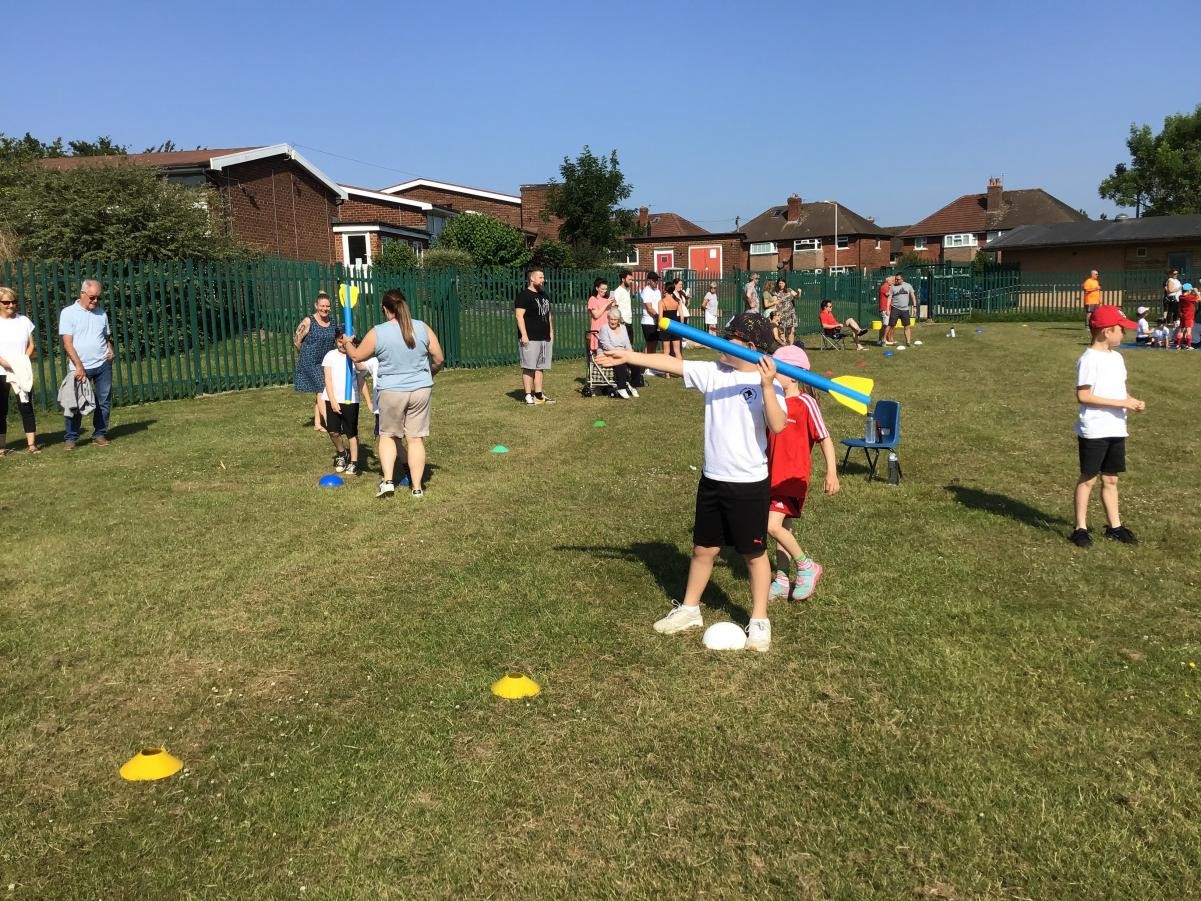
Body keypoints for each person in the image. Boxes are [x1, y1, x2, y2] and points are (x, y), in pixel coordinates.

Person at [595, 312, 788, 652]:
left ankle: (759, 619)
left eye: (730, 338)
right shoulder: (714, 372)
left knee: (753, 553)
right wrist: (628, 356)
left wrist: (767, 386)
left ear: (750, 347)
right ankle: (689, 609)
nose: (721, 342)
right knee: (703, 549)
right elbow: (671, 363)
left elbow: (778, 425)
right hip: (713, 479)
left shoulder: (768, 384)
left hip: (748, 483)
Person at [343, 289, 444, 498]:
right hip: (421, 390)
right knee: (415, 439)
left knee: (388, 436)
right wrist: (428, 374)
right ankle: (417, 488)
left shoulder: (379, 332)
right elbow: (439, 359)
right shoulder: (422, 327)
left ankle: (388, 481)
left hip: (391, 391)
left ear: (384, 309)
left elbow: (357, 356)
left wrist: (347, 343)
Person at [764, 345, 839, 602]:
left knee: (772, 526)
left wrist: (831, 472)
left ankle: (807, 566)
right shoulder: (773, 400)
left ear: (794, 374)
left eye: (778, 369)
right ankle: (782, 579)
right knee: (783, 528)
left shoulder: (806, 403)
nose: (773, 373)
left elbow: (824, 437)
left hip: (792, 477)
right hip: (771, 475)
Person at [1069, 305, 1145, 548]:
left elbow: (1118, 390)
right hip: (1095, 430)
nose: (1124, 333)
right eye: (1121, 329)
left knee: (1111, 479)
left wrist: (1130, 400)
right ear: (1106, 331)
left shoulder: (1117, 358)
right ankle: (1080, 528)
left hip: (1116, 428)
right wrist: (1121, 403)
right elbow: (1084, 396)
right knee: (1089, 479)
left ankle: (1115, 526)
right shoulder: (1089, 359)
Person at [58, 279, 114, 450]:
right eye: (92, 297)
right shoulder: (68, 313)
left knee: (104, 401)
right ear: (82, 294)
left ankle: (99, 434)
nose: (95, 301)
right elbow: (67, 343)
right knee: (75, 403)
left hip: (102, 364)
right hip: (80, 367)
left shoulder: (101, 314)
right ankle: (71, 438)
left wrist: (110, 350)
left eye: (98, 298)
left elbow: (106, 337)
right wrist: (79, 366)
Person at [321, 338, 370, 475]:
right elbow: (327, 379)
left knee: (351, 433)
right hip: (332, 399)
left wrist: (369, 401)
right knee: (333, 431)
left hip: (351, 400)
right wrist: (333, 401)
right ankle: (342, 454)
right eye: (340, 341)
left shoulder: (356, 357)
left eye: (346, 342)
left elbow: (361, 378)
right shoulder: (330, 355)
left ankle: (354, 461)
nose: (342, 345)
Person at [0, 287, 39, 455]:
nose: (11, 305)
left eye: (13, 301)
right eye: (6, 302)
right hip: (1, 370)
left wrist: (22, 361)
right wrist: (6, 363)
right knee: (1, 409)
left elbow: (31, 344)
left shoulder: (24, 321)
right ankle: (1, 447)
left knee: (26, 405)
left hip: (21, 369)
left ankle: (32, 445)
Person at [293, 292, 337, 431]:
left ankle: (318, 424)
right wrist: (304, 354)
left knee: (320, 390)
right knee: (322, 388)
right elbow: (297, 341)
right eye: (322, 306)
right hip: (310, 361)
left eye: (327, 306)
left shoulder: (332, 322)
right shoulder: (308, 321)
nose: (325, 309)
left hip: (325, 361)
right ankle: (330, 423)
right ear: (316, 306)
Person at [515, 268, 554, 405]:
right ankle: (528, 395)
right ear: (532, 278)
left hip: (544, 337)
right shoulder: (524, 296)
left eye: (543, 277)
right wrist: (524, 335)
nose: (543, 280)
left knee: (540, 367)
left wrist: (551, 332)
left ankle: (538, 394)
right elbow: (519, 316)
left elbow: (548, 315)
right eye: (540, 277)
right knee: (529, 366)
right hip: (530, 337)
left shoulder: (544, 295)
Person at [595, 309, 639, 399]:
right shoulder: (604, 328)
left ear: (618, 320)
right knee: (620, 362)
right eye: (611, 319)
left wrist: (631, 353)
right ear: (608, 319)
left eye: (615, 319)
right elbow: (606, 345)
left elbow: (627, 343)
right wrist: (620, 353)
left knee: (636, 363)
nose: (613, 322)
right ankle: (621, 387)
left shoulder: (623, 328)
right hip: (608, 353)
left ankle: (633, 385)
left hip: (622, 352)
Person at [884, 274, 917, 347]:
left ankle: (908, 342)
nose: (896, 280)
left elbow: (913, 296)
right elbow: (889, 298)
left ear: (902, 279)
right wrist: (887, 309)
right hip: (895, 308)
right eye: (895, 279)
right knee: (890, 325)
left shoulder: (908, 286)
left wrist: (914, 306)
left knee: (907, 326)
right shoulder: (893, 287)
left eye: (898, 279)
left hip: (905, 309)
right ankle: (884, 340)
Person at [658, 278, 685, 369]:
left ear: (665, 290)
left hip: (666, 327)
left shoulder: (661, 302)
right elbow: (682, 316)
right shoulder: (677, 301)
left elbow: (660, 317)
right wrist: (680, 327)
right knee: (677, 351)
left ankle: (667, 374)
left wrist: (659, 328)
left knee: (666, 352)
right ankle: (680, 371)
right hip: (675, 326)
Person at [639, 272, 663, 369]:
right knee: (650, 344)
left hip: (656, 321)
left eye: (657, 280)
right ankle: (644, 366)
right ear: (649, 280)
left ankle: (651, 366)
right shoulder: (646, 291)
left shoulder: (657, 291)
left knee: (654, 344)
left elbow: (660, 304)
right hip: (648, 321)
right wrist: (658, 317)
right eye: (654, 280)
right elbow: (649, 308)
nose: (656, 282)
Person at [586, 278, 614, 352]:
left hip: (608, 329)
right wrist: (606, 304)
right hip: (598, 330)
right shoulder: (593, 299)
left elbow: (613, 314)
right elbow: (596, 315)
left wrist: (614, 305)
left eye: (606, 289)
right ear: (597, 288)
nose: (605, 291)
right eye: (602, 289)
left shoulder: (607, 300)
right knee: (598, 352)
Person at [771, 278, 799, 345]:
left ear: (785, 283)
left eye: (782, 283)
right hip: (781, 315)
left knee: (791, 331)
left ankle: (791, 346)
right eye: (779, 283)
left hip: (790, 314)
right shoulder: (775, 292)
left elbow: (797, 296)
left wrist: (799, 292)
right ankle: (784, 346)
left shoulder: (789, 290)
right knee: (782, 331)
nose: (781, 284)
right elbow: (774, 303)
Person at [1177, 283, 1197, 349]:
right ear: (1188, 291)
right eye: (1190, 290)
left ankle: (1178, 345)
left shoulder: (1180, 297)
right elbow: (1199, 299)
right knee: (1189, 331)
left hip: (1182, 315)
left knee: (1181, 330)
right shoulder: (1189, 297)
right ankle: (1189, 346)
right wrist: (1196, 292)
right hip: (1189, 316)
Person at [877, 275, 892, 344]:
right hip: (885, 308)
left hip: (886, 308)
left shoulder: (888, 287)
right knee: (886, 324)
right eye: (891, 280)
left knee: (884, 325)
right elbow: (888, 294)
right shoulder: (884, 287)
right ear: (887, 280)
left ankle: (880, 340)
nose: (892, 282)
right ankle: (883, 339)